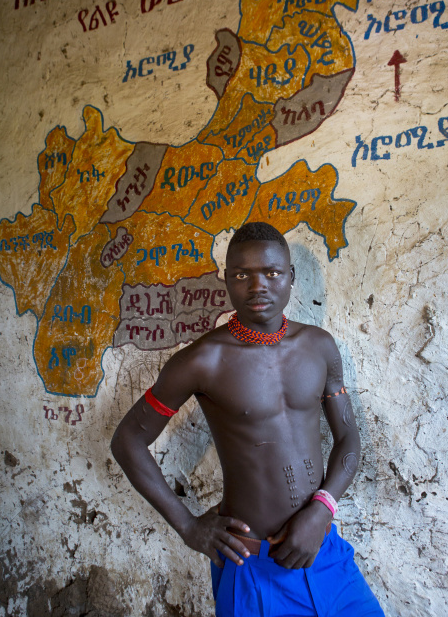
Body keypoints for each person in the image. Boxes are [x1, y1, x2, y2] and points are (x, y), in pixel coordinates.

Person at [111, 222, 384, 616]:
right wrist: (188, 527)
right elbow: (128, 442)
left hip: (325, 554)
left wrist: (323, 508)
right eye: (242, 275)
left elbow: (349, 440)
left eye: (272, 273)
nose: (259, 287)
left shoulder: (319, 347)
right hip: (251, 565)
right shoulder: (202, 361)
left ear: (291, 278)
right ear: (226, 281)